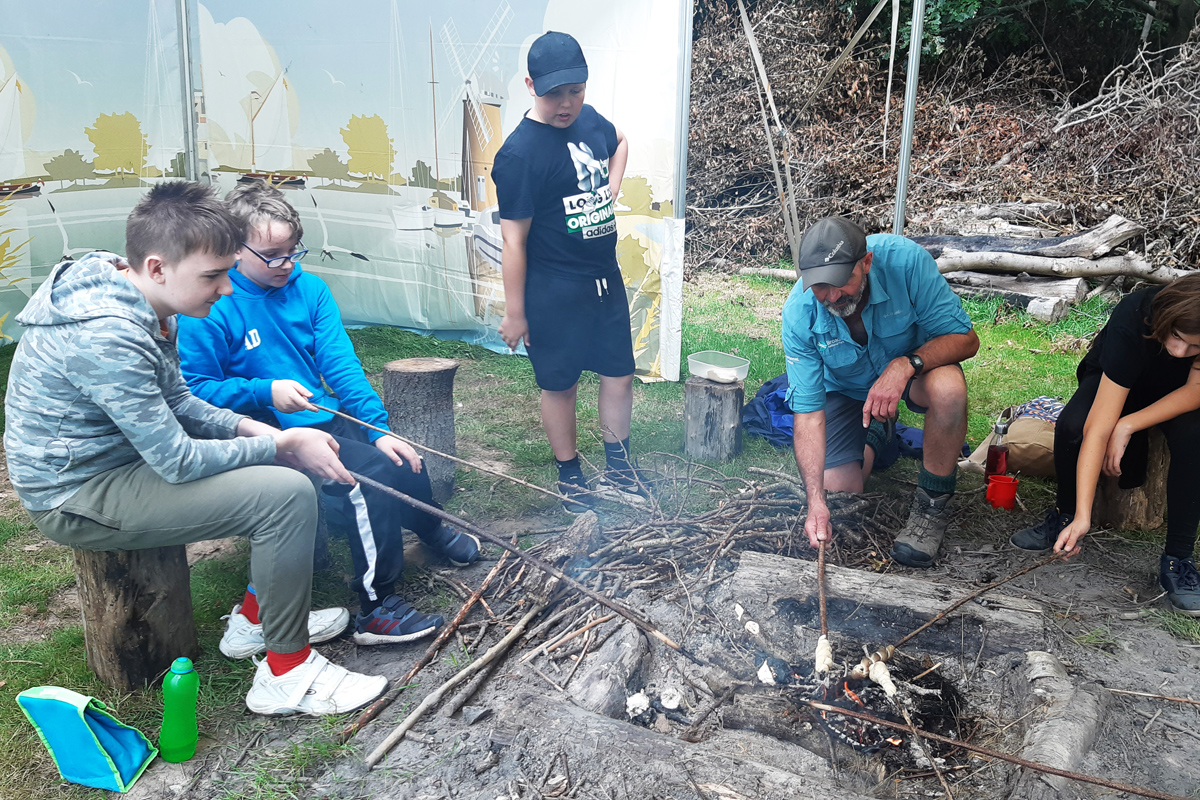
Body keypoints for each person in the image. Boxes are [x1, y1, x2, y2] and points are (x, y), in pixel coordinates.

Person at [4, 182, 387, 715]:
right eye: (213, 276)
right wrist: (279, 445)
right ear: (158, 267)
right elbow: (178, 461)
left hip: (120, 462)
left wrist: (254, 432)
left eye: (228, 271)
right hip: (77, 493)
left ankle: (257, 621)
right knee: (285, 495)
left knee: (283, 477)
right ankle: (286, 672)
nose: (227, 289)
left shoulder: (138, 292)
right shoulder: (108, 335)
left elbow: (180, 399)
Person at [177, 179, 479, 648]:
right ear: (235, 250)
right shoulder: (211, 302)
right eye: (273, 255)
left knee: (400, 456)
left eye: (294, 251)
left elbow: (341, 365)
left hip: (316, 414)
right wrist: (265, 390)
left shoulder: (309, 290)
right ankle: (377, 607)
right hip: (262, 429)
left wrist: (378, 430)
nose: (287, 264)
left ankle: (430, 526)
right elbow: (197, 392)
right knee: (366, 481)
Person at [492, 30, 642, 514]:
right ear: (531, 85)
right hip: (555, 288)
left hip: (605, 277)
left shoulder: (590, 120)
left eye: (575, 90)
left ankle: (619, 469)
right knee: (561, 384)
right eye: (554, 92)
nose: (566, 102)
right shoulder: (519, 154)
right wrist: (515, 313)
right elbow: (513, 239)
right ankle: (571, 475)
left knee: (619, 374)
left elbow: (620, 141)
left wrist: (612, 187)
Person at [782, 216, 980, 567]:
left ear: (867, 263)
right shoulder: (799, 313)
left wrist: (906, 365)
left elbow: (965, 339)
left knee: (949, 390)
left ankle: (931, 507)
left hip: (912, 377)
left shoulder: (907, 263)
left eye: (841, 282)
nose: (831, 297)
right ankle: (876, 432)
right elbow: (809, 415)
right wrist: (816, 501)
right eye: (819, 287)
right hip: (846, 389)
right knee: (840, 492)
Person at [1011, 275, 1200, 614]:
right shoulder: (1136, 314)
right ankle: (1065, 515)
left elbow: (1195, 390)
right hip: (1114, 374)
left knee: (1194, 436)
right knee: (1073, 425)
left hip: (1177, 390)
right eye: (1176, 337)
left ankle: (1178, 559)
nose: (1179, 351)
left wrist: (1128, 424)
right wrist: (1084, 515)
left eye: (1195, 347)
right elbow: (1097, 428)